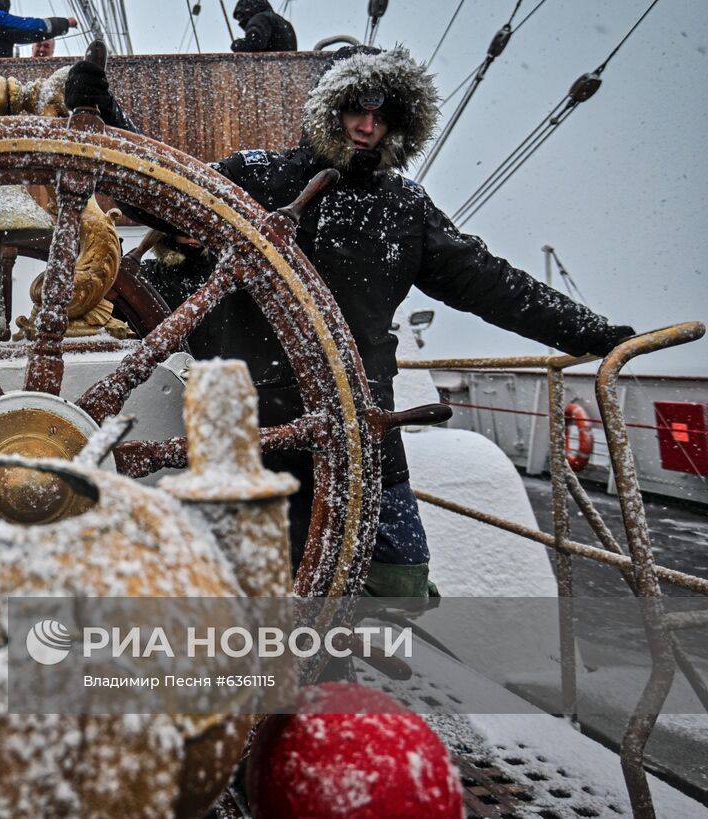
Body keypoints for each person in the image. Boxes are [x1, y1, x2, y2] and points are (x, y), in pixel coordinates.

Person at [65, 45, 633, 597]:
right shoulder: (259, 177)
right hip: (255, 424)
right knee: (268, 583)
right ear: (328, 109)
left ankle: (341, 663)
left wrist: (593, 333)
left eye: (382, 116)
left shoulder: (405, 207)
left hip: (364, 423)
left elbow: (489, 283)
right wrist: (107, 113)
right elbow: (161, 196)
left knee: (399, 580)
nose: (367, 126)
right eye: (356, 109)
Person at [230, 0, 297, 53]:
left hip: (270, 63)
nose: (240, 21)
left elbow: (254, 44)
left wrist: (236, 45)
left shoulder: (260, 18)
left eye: (240, 16)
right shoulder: (286, 24)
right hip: (287, 63)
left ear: (247, 11)